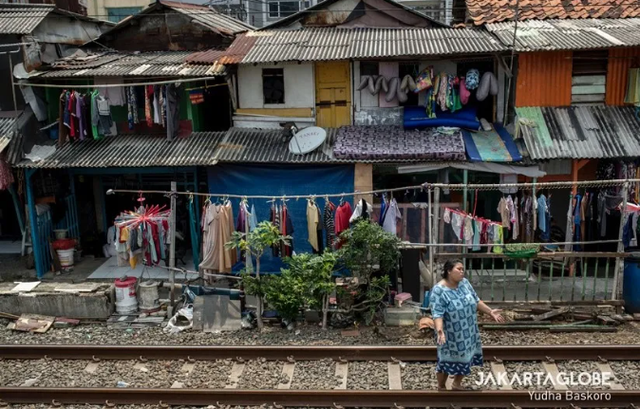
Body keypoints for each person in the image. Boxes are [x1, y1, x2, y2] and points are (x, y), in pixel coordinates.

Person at [429, 259, 504, 390]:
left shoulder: (464, 283)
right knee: (446, 360)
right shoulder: (438, 290)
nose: (462, 271)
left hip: (468, 330)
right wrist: (440, 331)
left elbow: (476, 300)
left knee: (466, 357)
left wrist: (490, 312)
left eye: (463, 269)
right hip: (450, 334)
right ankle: (441, 387)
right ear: (449, 271)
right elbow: (437, 313)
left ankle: (456, 384)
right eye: (459, 269)